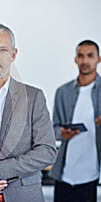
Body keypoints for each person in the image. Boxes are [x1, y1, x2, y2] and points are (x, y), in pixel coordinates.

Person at [0, 23, 57, 202]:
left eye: (4, 50)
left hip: (22, 195)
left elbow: (47, 151)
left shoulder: (33, 97)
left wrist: (1, 168)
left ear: (13, 55)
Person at [49, 40, 101, 202]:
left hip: (91, 176)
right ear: (75, 59)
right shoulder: (62, 92)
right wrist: (62, 133)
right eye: (81, 56)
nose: (85, 61)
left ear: (98, 59)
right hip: (63, 175)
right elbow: (53, 129)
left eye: (90, 56)